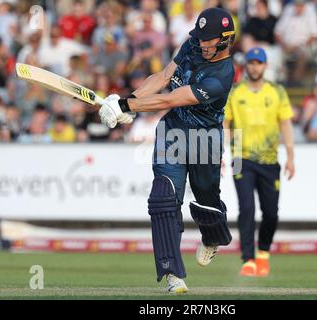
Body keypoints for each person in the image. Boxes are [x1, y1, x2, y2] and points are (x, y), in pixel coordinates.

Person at [98, 8, 236, 293]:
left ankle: (213, 236)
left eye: (208, 40)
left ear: (225, 40)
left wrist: (127, 107)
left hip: (204, 140)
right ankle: (173, 274)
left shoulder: (222, 75)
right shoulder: (192, 45)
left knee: (207, 202)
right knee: (163, 198)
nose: (201, 44)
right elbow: (163, 78)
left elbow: (174, 98)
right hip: (172, 133)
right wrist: (130, 102)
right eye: (199, 38)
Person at [223, 48, 295, 277]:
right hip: (241, 158)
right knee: (246, 209)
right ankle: (248, 260)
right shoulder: (235, 92)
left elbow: (286, 124)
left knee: (271, 213)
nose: (255, 67)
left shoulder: (277, 92)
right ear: (246, 66)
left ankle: (263, 253)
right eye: (251, 63)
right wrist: (221, 155)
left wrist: (291, 157)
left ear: (265, 66)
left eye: (259, 63)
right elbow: (225, 124)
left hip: (270, 160)